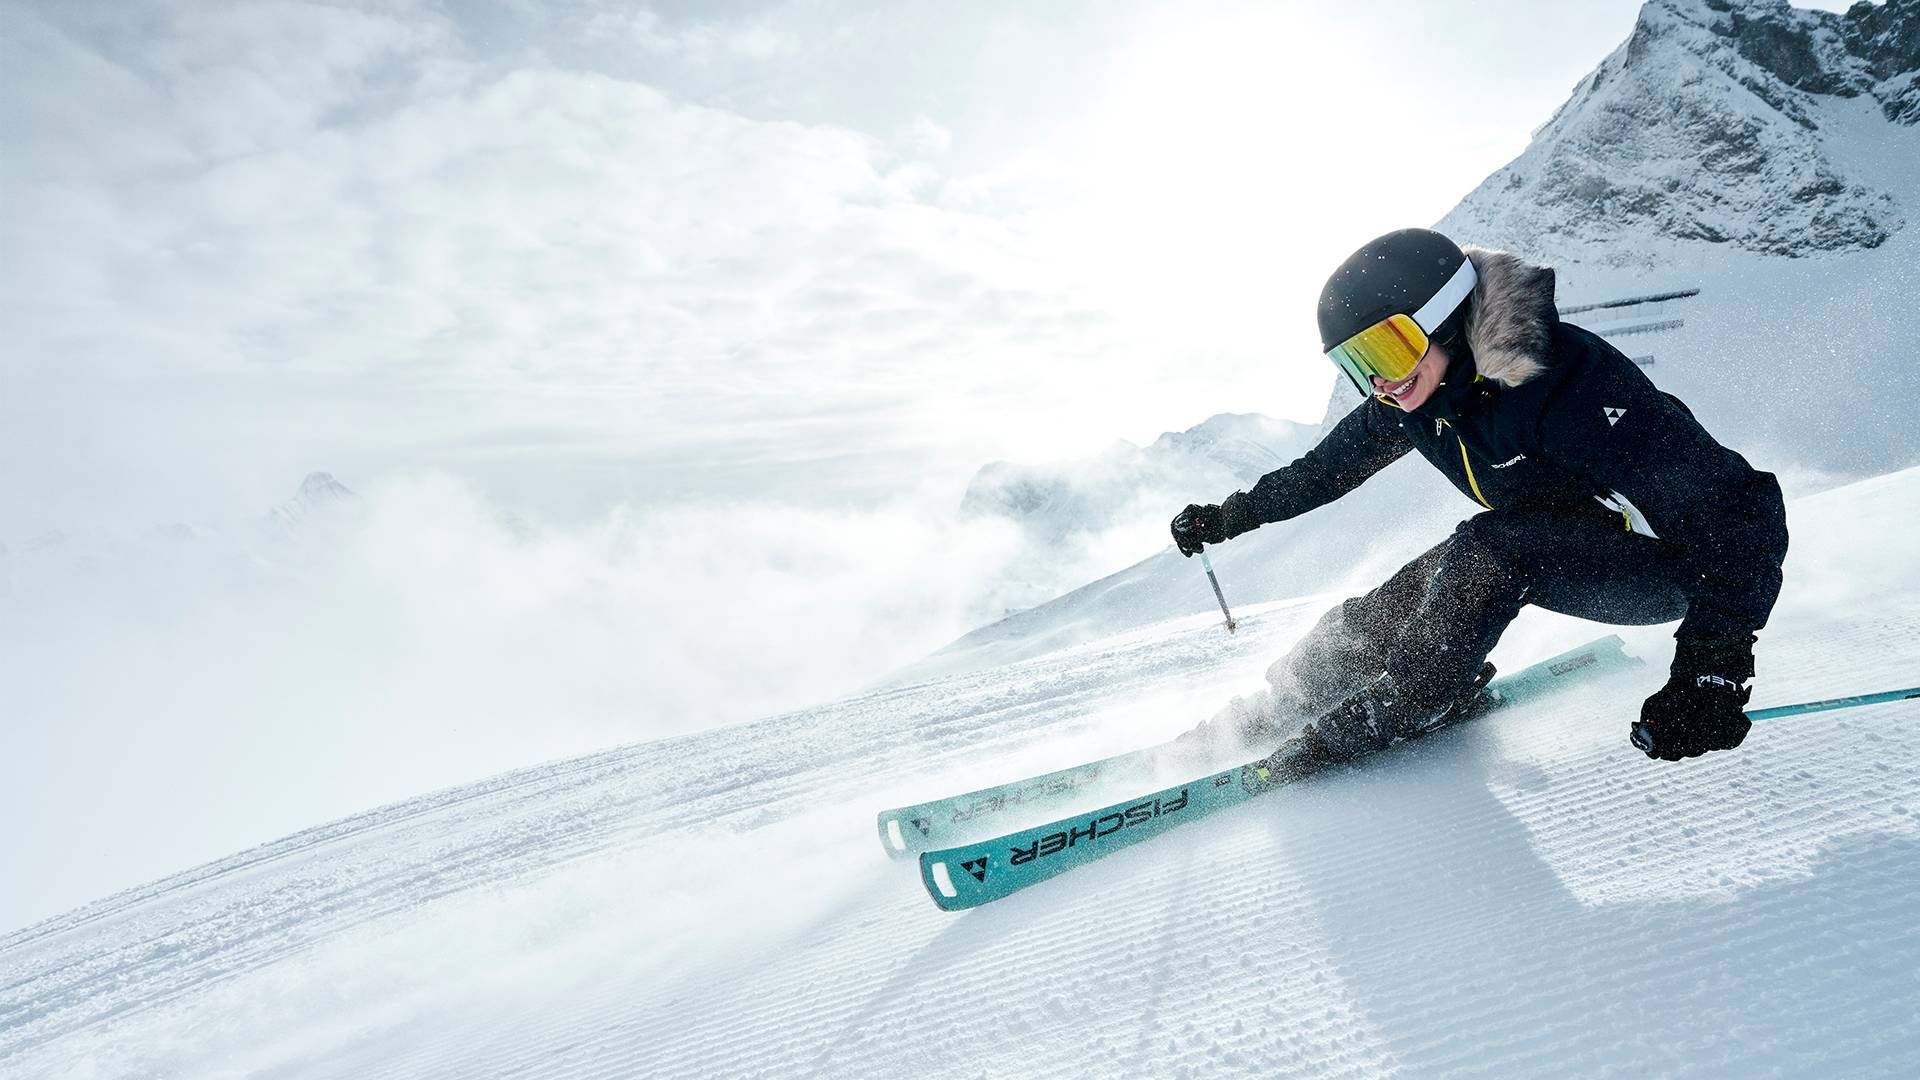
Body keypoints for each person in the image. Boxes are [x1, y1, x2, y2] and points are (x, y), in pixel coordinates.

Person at [1169, 228, 1788, 777]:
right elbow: (1321, 473)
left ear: (1446, 321)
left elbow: (1741, 515)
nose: (1380, 381)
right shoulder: (1413, 401)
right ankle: (1280, 705)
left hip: (1678, 569)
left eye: (1386, 350)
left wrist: (1712, 667)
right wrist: (1227, 518)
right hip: (1544, 539)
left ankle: (1397, 704)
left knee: (1486, 552)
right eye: (1360, 365)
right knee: (1404, 601)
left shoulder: (1570, 381)